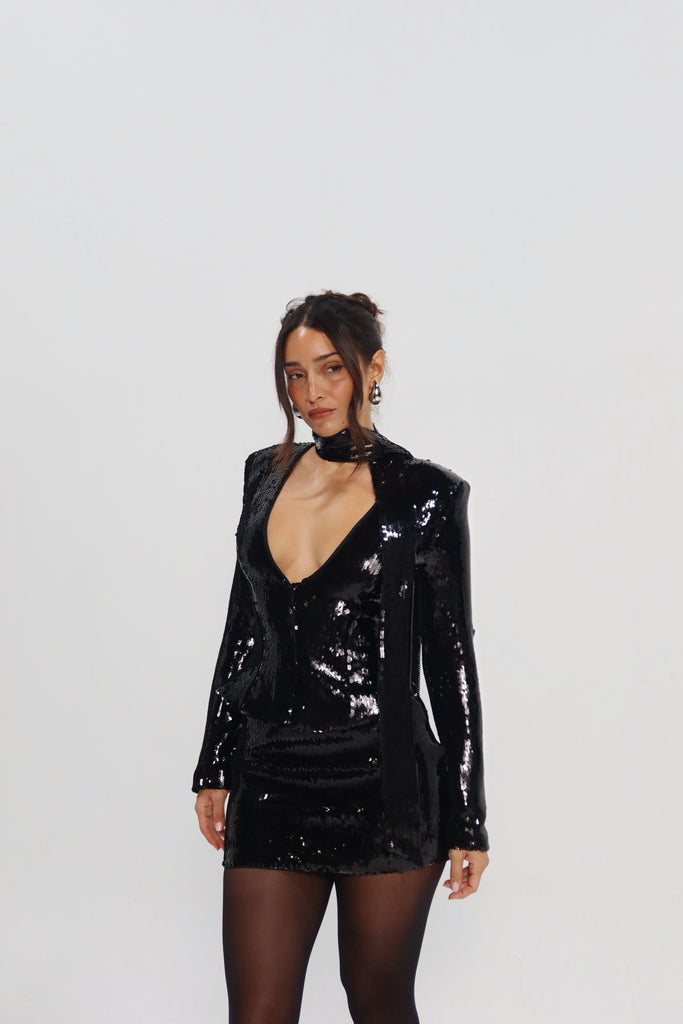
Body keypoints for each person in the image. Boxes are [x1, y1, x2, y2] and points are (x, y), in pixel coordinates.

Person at [192, 290, 490, 1024]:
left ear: (371, 368)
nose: (311, 392)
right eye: (294, 375)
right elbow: (243, 625)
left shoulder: (424, 495)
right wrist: (216, 760)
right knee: (257, 1013)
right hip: (272, 770)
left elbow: (450, 660)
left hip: (386, 780)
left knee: (377, 1000)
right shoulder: (264, 475)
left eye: (330, 369)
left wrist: (467, 817)